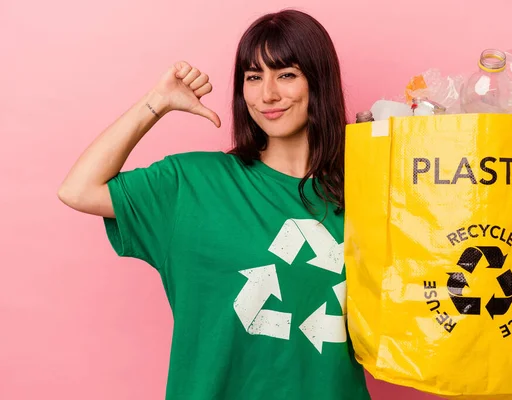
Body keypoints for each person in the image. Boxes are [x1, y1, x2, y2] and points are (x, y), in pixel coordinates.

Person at [58, 9, 371, 400]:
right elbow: (78, 189)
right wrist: (158, 101)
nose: (267, 94)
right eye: (253, 77)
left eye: (286, 74)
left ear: (318, 81)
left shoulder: (367, 190)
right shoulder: (192, 184)